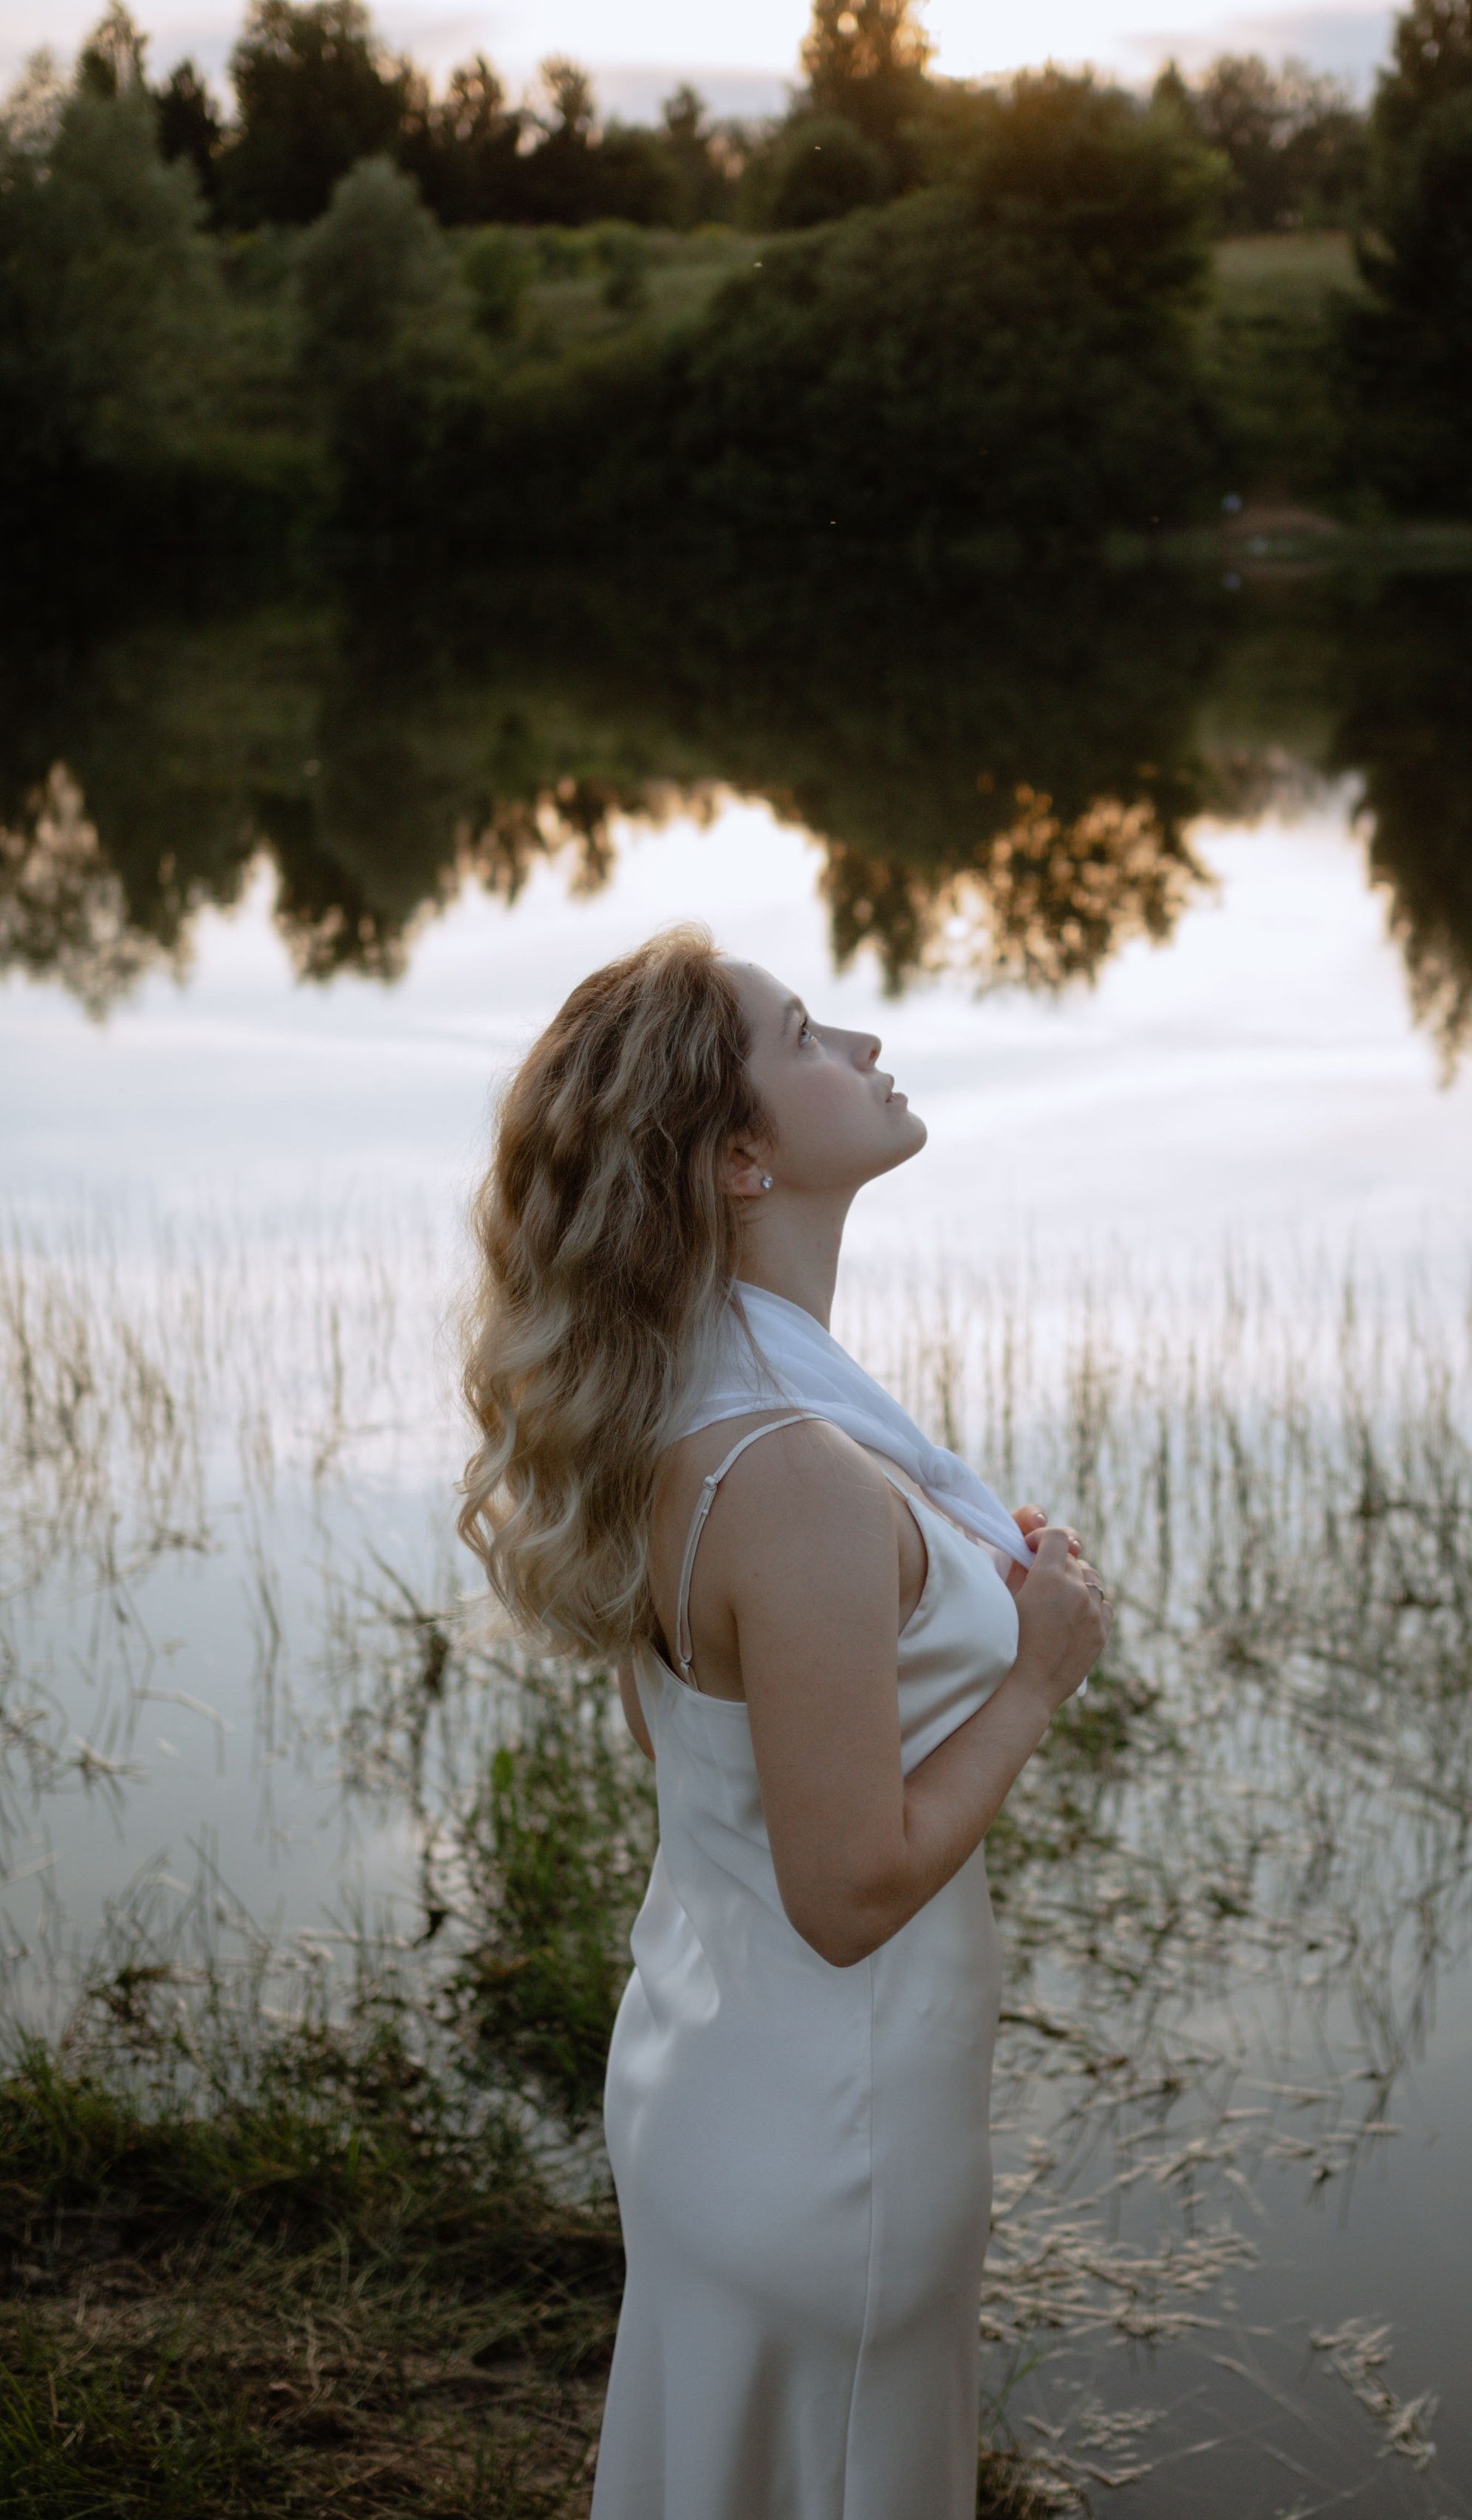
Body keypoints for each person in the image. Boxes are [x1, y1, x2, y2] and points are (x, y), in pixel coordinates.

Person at [457, 924, 1111, 2519]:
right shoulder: (791, 1473)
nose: (866, 1048)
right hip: (837, 2138)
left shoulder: (685, 1401)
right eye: (809, 1035)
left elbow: (697, 1757)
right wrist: (1032, 1670)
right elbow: (845, 1893)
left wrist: (946, 1592)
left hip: (717, 2083)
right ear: (738, 1155)